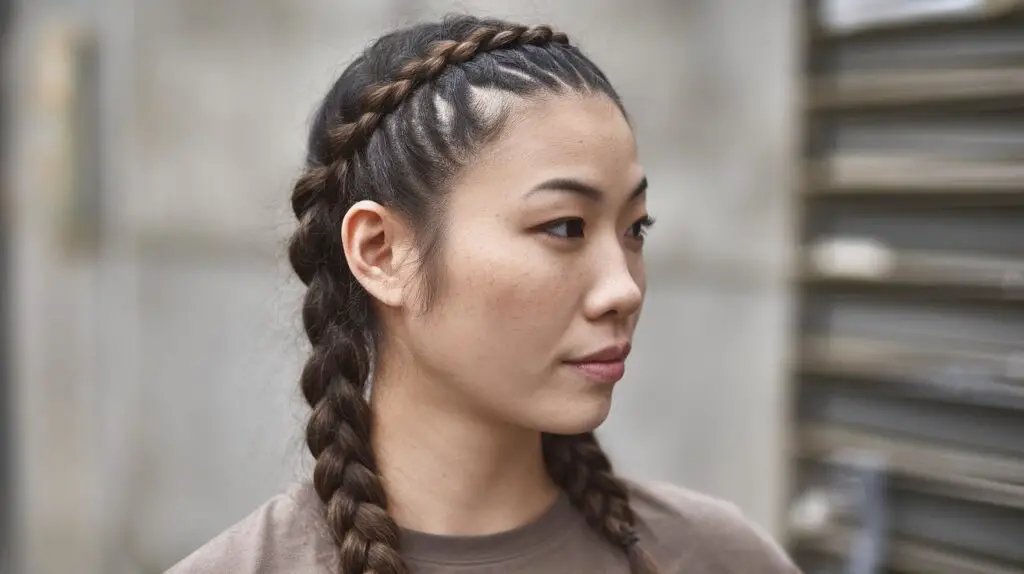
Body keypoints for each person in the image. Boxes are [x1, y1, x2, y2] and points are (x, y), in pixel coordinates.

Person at [168, 14, 800, 574]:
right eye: (563, 227)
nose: (623, 288)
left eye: (635, 229)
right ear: (381, 253)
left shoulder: (717, 556)